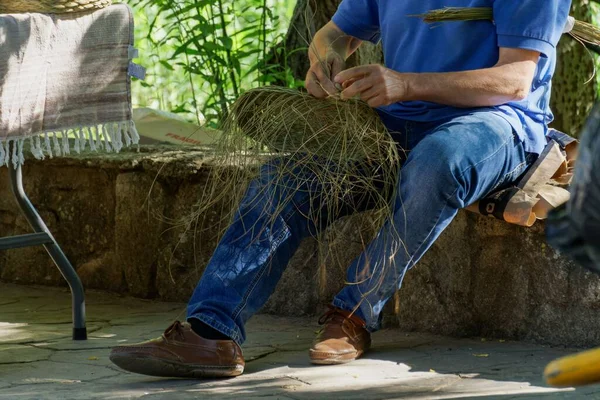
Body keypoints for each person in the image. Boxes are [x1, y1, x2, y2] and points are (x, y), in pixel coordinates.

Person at [109, 0, 572, 378]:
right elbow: (336, 32)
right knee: (286, 179)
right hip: (393, 120)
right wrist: (324, 59)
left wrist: (406, 83)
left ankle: (353, 314)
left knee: (438, 163)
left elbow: (514, 82)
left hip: (496, 125)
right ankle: (210, 332)